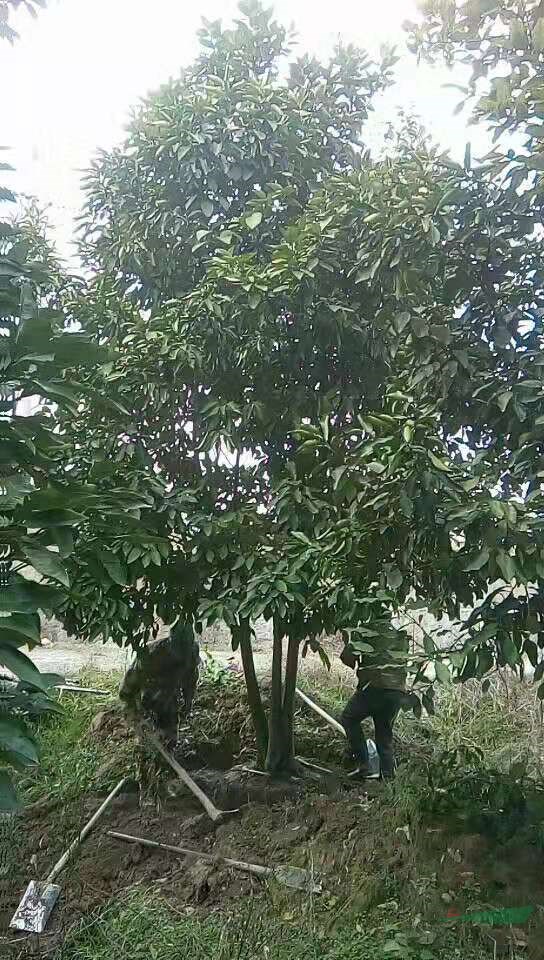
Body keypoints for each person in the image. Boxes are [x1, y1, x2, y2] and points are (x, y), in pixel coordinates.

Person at [340, 627, 409, 780]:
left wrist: (350, 642)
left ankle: (364, 764)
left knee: (349, 718)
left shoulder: (366, 630)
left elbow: (347, 659)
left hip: (373, 688)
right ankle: (388, 778)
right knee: (384, 736)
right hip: (396, 692)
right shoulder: (400, 635)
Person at [119, 619, 200, 743]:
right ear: (170, 643)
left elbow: (191, 678)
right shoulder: (150, 655)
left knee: (169, 740)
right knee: (147, 740)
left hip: (169, 697)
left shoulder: (192, 653)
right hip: (148, 696)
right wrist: (133, 713)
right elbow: (128, 687)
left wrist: (188, 701)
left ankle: (168, 742)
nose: (180, 658)